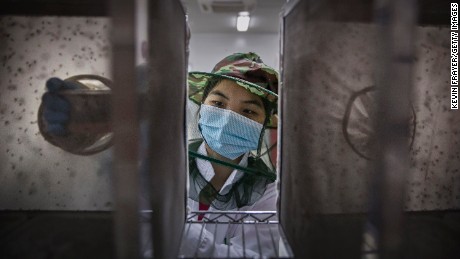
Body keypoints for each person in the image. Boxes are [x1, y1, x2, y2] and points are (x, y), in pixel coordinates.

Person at [40, 52, 280, 258]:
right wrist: (83, 111)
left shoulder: (266, 191)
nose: (228, 119)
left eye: (248, 111)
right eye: (218, 104)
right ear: (202, 106)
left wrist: (180, 231)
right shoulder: (164, 166)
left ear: (266, 123)